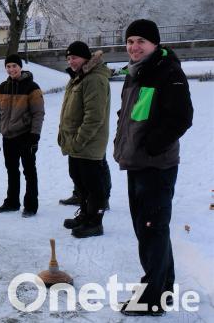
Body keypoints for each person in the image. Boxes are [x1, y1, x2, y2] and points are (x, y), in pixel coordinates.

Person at [113, 19, 193, 316]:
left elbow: (181, 117)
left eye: (141, 42)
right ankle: (163, 285)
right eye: (130, 41)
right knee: (150, 229)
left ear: (154, 44)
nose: (134, 47)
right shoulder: (137, 73)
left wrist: (151, 146)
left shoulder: (167, 73)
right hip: (138, 162)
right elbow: (130, 114)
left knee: (151, 229)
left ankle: (153, 296)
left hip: (155, 165)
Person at [57, 41, 110, 238]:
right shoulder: (78, 78)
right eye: (69, 58)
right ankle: (86, 215)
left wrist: (79, 141)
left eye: (75, 57)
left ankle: (95, 223)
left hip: (88, 144)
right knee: (80, 182)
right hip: (75, 144)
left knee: (93, 186)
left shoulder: (94, 79)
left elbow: (94, 116)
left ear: (86, 58)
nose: (71, 61)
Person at [0, 54, 44, 218]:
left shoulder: (32, 87)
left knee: (29, 171)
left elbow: (38, 114)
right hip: (8, 137)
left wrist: (34, 137)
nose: (11, 69)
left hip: (25, 136)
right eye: (8, 66)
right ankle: (12, 202)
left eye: (14, 66)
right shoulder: (2, 87)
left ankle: (31, 205)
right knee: (12, 170)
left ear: (20, 67)